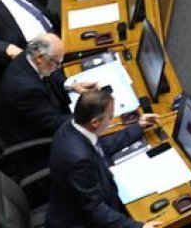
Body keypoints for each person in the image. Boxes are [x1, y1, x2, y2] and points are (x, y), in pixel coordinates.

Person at [46, 90, 162, 228]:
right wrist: (139, 227)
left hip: (95, 198)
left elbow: (103, 146)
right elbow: (95, 210)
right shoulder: (80, 161)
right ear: (95, 122)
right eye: (110, 117)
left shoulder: (72, 126)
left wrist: (138, 127)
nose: (111, 121)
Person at [1, 33, 98, 144]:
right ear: (40, 58)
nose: (58, 67)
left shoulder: (29, 56)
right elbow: (53, 124)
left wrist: (72, 85)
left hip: (45, 111)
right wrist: (90, 114)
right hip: (39, 137)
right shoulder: (27, 89)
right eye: (57, 63)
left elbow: (52, 73)